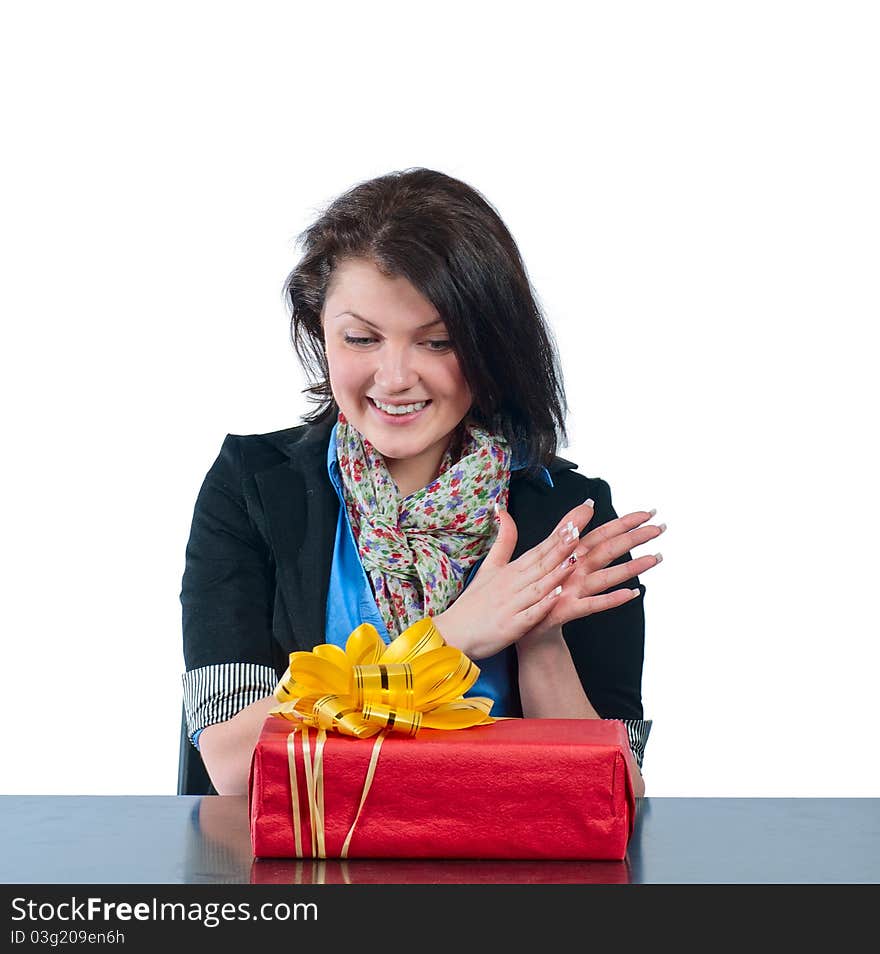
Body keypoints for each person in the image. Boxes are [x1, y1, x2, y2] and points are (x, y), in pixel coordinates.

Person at [180, 167, 663, 797]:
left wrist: (540, 639)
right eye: (361, 338)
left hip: (504, 878)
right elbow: (237, 766)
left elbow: (613, 798)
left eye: (437, 342)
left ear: (492, 348)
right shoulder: (251, 488)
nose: (396, 375)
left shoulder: (569, 515)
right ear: (318, 331)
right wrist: (448, 639)